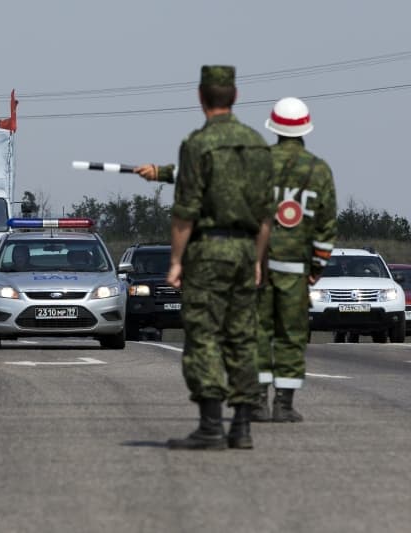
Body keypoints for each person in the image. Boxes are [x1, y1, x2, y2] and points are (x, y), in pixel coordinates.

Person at [151, 65, 274, 450]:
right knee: (242, 336)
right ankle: (242, 426)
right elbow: (265, 215)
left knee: (203, 335)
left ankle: (210, 426)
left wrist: (175, 261)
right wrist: (256, 259)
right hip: (243, 249)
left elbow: (185, 211)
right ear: (234, 97)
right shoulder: (256, 144)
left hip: (208, 252)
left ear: (200, 97)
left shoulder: (197, 145)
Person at [254, 97, 337, 423]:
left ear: (273, 128)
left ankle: (258, 402)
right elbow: (326, 224)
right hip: (295, 269)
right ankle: (284, 405)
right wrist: (317, 267)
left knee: (258, 332)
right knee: (290, 335)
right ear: (306, 129)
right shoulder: (318, 170)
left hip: (259, 266)